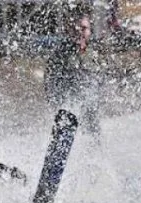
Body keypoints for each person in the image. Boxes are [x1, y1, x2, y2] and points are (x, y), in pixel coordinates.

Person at [43, 8, 103, 146]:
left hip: (90, 109)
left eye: (84, 28)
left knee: (92, 139)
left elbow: (102, 78)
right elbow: (49, 81)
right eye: (75, 28)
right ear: (69, 30)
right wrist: (56, 103)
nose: (79, 32)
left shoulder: (95, 53)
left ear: (90, 30)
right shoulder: (60, 53)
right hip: (67, 106)